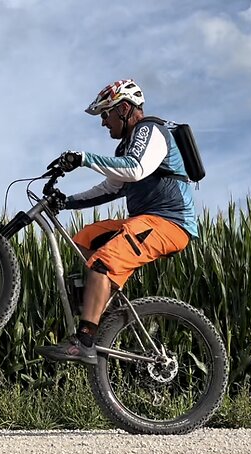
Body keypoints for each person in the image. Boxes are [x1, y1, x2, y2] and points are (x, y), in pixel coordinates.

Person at [36, 79, 199, 365]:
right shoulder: (127, 145)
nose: (103, 123)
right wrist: (67, 201)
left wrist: (83, 158)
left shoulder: (151, 130)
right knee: (85, 238)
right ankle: (104, 307)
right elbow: (110, 188)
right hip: (144, 221)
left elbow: (135, 169)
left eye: (105, 115)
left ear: (124, 109)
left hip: (169, 223)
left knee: (102, 262)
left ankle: (85, 341)